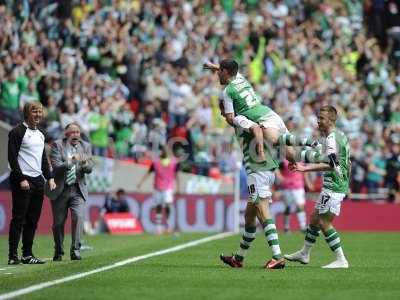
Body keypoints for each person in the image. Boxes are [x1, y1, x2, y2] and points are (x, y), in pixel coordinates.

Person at [203, 59, 318, 160]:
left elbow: (230, 118)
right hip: (268, 113)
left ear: (225, 71)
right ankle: (318, 151)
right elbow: (231, 72)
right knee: (292, 156)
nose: (217, 74)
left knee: (277, 141)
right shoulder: (241, 78)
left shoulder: (227, 91)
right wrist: (215, 66)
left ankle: (311, 144)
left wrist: (245, 125)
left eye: (219, 71)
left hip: (262, 120)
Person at [218, 101, 285, 270]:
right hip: (263, 170)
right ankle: (238, 258)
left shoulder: (239, 118)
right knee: (249, 216)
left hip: (258, 170)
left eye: (223, 111)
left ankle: (277, 256)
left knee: (262, 211)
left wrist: (261, 152)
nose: (222, 115)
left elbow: (255, 129)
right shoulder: (243, 117)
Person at [284, 105, 351, 268]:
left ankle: (341, 260)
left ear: (331, 120)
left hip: (333, 187)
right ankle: (304, 253)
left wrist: (304, 168)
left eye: (321, 118)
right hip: (336, 184)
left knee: (323, 222)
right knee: (314, 218)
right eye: (318, 117)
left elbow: (330, 165)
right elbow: (347, 163)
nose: (318, 121)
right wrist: (345, 179)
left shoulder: (331, 139)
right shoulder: (340, 135)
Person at [7, 101, 56, 265]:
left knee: (33, 220)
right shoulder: (17, 132)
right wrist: (21, 178)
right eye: (34, 111)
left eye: (40, 112)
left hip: (38, 181)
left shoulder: (41, 134)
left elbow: (42, 159)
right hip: (23, 180)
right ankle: (13, 256)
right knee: (18, 218)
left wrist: (50, 178)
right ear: (27, 113)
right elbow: (12, 158)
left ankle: (27, 254)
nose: (38, 115)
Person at [47, 122, 93, 261]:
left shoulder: (86, 146)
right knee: (58, 223)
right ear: (66, 134)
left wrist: (85, 164)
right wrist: (72, 161)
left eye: (78, 132)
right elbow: (56, 167)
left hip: (78, 189)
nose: (75, 135)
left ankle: (76, 250)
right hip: (60, 189)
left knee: (78, 217)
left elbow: (90, 168)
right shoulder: (56, 145)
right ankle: (59, 250)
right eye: (72, 132)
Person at [137, 146, 179, 234]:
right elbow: (149, 172)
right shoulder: (156, 162)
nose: (165, 152)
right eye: (164, 150)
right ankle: (158, 227)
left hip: (168, 187)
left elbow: (176, 175)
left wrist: (178, 186)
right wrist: (141, 182)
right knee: (158, 206)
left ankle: (168, 224)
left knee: (167, 205)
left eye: (167, 150)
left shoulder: (173, 162)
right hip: (158, 187)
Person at [276, 159, 312, 233]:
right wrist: (281, 179)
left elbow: (304, 172)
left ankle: (303, 227)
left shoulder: (301, 160)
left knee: (300, 206)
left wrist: (307, 183)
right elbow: (277, 169)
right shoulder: (283, 161)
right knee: (288, 208)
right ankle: (286, 227)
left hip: (299, 187)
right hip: (287, 187)